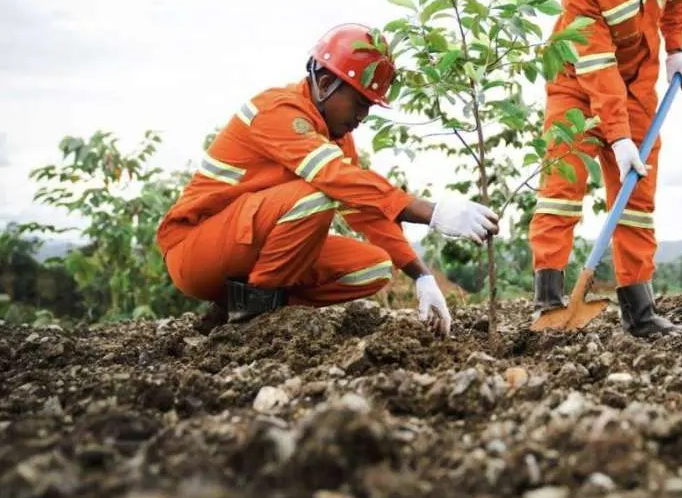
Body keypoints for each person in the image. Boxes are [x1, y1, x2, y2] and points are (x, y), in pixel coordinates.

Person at [155, 23, 498, 334]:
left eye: (371, 107)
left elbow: (364, 210)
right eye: (359, 103)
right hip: (196, 251)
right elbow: (334, 178)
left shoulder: (336, 138)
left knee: (374, 266)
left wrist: (421, 275)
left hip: (245, 254)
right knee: (316, 194)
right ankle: (251, 319)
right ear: (323, 83)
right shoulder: (278, 110)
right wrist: (431, 212)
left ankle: (241, 307)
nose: (363, 116)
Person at [528, 0, 682, 337]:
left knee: (637, 200)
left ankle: (640, 314)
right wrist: (618, 137)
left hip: (638, 84)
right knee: (562, 187)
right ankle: (549, 304)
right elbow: (597, 67)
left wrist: (677, 44)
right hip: (576, 85)